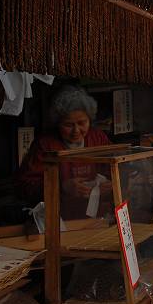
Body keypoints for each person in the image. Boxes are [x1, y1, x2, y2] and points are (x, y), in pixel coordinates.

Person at [19, 86, 112, 219]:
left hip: (97, 218)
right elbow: (24, 186)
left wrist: (110, 183)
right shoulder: (45, 145)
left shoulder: (97, 138)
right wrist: (62, 186)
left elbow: (114, 167)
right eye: (68, 125)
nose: (76, 131)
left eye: (82, 123)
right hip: (59, 219)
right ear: (57, 123)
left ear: (89, 119)